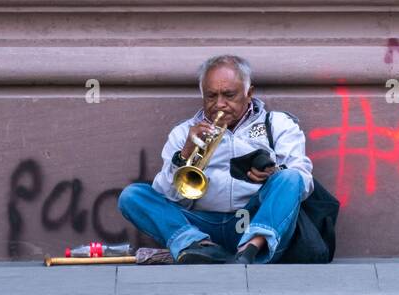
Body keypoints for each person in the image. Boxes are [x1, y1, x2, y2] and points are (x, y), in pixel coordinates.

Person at [118, 55, 313, 264]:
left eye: (229, 95)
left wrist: (274, 173)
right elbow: (165, 195)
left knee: (290, 177)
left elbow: (302, 180)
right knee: (132, 196)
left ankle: (251, 249)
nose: (220, 104)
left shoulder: (277, 124)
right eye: (211, 96)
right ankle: (197, 245)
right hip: (203, 224)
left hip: (254, 219)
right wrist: (184, 155)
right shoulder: (184, 132)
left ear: (249, 94)